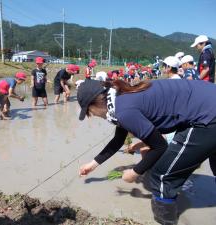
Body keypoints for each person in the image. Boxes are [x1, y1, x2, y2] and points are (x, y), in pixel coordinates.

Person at [77, 79, 216, 224]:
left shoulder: (124, 111)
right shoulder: (120, 97)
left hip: (208, 115)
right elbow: (118, 140)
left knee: (161, 176)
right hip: (209, 102)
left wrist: (135, 172)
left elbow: (160, 146)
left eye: (88, 111)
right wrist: (92, 165)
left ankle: (165, 221)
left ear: (97, 103)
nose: (91, 115)